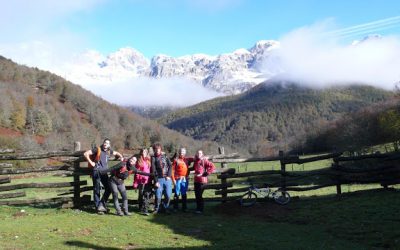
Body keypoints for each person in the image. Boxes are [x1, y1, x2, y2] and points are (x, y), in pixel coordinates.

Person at [83, 138, 123, 214]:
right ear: (103, 143)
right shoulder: (97, 149)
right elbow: (86, 154)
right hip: (97, 171)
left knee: (108, 188)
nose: (105, 144)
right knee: (96, 189)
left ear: (109, 145)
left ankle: (101, 205)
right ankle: (98, 208)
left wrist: (121, 156)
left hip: (104, 173)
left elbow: (116, 153)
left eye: (107, 143)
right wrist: (91, 162)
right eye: (105, 142)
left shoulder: (108, 151)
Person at [151, 143, 172, 214]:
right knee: (157, 195)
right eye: (155, 149)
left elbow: (170, 165)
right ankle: (156, 208)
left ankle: (165, 207)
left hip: (167, 179)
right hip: (159, 179)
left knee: (168, 195)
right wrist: (156, 181)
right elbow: (154, 170)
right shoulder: (153, 158)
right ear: (154, 150)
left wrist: (169, 175)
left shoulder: (165, 156)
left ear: (160, 149)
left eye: (158, 149)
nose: (157, 150)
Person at [193, 150, 215, 214]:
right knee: (197, 195)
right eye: (197, 153)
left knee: (199, 195)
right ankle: (198, 208)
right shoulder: (196, 161)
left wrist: (206, 173)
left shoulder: (204, 160)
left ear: (202, 154)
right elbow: (194, 168)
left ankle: (201, 209)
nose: (198, 154)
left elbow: (212, 166)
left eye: (200, 153)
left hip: (202, 181)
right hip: (196, 180)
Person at [171, 147, 194, 212]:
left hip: (185, 179)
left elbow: (195, 158)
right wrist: (173, 180)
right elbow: (172, 171)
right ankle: (175, 208)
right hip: (178, 179)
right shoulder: (176, 160)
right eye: (181, 151)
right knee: (177, 192)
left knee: (184, 193)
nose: (182, 153)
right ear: (179, 152)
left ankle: (184, 207)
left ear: (185, 152)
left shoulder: (187, 159)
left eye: (183, 151)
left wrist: (202, 157)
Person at [133, 148, 152, 215]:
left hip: (148, 180)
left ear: (147, 153)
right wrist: (135, 182)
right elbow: (137, 172)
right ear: (141, 152)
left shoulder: (148, 160)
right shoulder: (139, 161)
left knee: (146, 194)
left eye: (145, 152)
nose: (144, 153)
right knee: (141, 194)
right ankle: (140, 207)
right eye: (143, 152)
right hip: (141, 180)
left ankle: (145, 207)